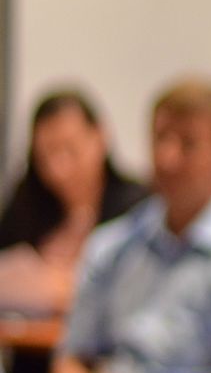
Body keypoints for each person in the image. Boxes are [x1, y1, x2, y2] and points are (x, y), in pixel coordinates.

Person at [52, 79, 211, 373]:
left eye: (188, 144)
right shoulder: (114, 244)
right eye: (160, 139)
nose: (167, 158)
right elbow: (71, 359)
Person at [0, 89, 148, 316]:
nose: (59, 168)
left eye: (71, 150)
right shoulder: (28, 201)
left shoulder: (137, 206)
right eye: (46, 155)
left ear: (100, 136)